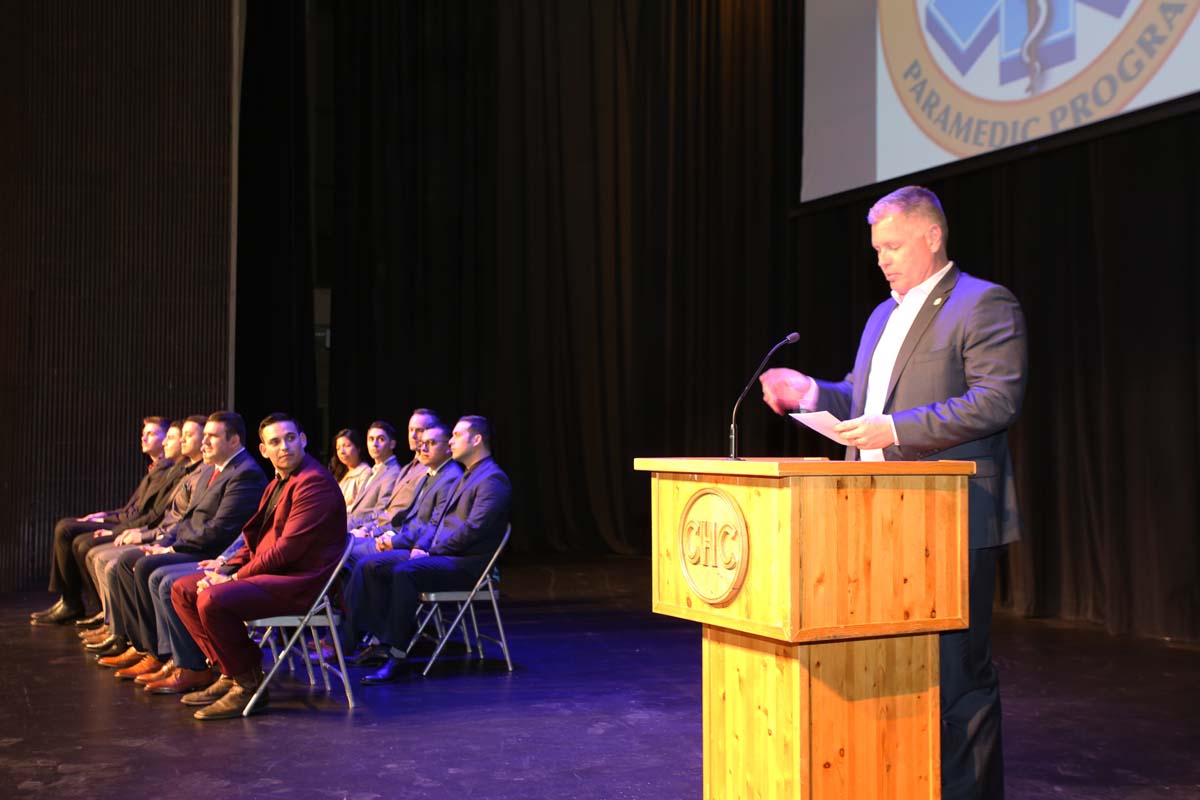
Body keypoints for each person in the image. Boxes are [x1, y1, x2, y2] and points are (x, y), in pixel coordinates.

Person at [760, 185, 1026, 800]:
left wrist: (898, 430)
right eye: (877, 249)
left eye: (895, 246)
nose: (883, 260)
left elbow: (997, 399)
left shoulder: (984, 304)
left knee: (958, 677)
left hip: (951, 516)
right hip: (875, 518)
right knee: (895, 673)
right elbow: (862, 399)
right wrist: (810, 393)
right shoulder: (882, 315)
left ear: (933, 237)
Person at [171, 413, 347, 720]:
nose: (285, 447)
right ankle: (232, 671)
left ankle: (249, 685)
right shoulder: (279, 482)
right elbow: (259, 543)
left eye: (291, 439)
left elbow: (286, 550)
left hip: (303, 583)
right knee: (183, 589)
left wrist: (233, 578)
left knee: (213, 599)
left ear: (303, 440)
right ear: (263, 450)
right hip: (276, 575)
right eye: (275, 442)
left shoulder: (313, 483)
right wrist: (225, 567)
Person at [92, 411, 266, 668]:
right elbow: (186, 519)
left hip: (211, 551)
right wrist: (161, 543)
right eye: (204, 436)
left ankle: (172, 657)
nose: (204, 442)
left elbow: (219, 530)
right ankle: (145, 646)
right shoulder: (212, 470)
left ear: (234, 441)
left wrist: (171, 547)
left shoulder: (245, 473)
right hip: (193, 544)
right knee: (133, 561)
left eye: (212, 436)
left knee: (147, 568)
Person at [355, 415, 511, 685]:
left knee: (406, 571)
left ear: (476, 439)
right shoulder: (467, 474)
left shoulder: (492, 479)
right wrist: (420, 546)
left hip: (469, 563)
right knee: (374, 565)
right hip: (446, 554)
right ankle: (386, 637)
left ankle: (398, 655)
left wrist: (431, 551)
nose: (451, 441)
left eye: (457, 436)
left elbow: (473, 530)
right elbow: (438, 522)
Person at [31, 416, 174, 625]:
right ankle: (73, 601)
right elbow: (130, 509)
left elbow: (149, 516)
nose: (143, 437)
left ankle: (81, 604)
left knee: (73, 535)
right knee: (67, 526)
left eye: (151, 433)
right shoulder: (155, 468)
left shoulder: (168, 471)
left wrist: (115, 531)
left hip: (131, 526)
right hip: (123, 521)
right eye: (143, 433)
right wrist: (103, 516)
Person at [343, 421, 463, 667]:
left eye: (431, 443)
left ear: (448, 448)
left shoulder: (450, 477)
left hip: (421, 548)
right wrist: (383, 534)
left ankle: (365, 636)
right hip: (404, 538)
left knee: (362, 562)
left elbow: (433, 524)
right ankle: (366, 633)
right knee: (349, 554)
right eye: (422, 443)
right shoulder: (429, 474)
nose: (423, 447)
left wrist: (394, 541)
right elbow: (405, 518)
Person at [347, 409, 441, 559]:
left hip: (395, 534)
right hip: (380, 530)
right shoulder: (407, 468)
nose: (413, 435)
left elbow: (404, 514)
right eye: (411, 430)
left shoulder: (428, 470)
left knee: (347, 554)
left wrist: (371, 531)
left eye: (420, 430)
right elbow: (389, 510)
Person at [344, 420, 402, 530]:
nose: (374, 444)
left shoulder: (393, 473)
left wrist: (359, 528)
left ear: (392, 444)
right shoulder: (374, 469)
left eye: (381, 439)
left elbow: (381, 513)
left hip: (360, 532)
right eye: (371, 439)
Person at [328, 427, 372, 508]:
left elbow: (360, 506)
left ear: (358, 448)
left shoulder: (365, 472)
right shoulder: (341, 472)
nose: (342, 451)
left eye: (347, 446)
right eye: (338, 448)